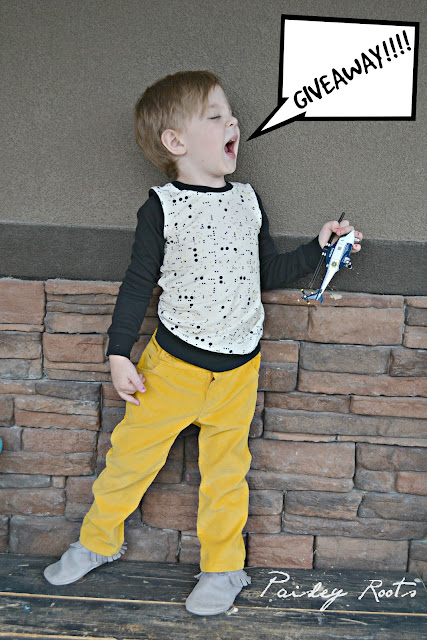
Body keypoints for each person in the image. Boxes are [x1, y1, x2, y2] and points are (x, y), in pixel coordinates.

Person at [43, 70, 363, 615]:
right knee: (129, 461)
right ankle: (97, 541)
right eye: (216, 116)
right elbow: (137, 284)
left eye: (231, 114)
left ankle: (223, 568)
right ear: (176, 142)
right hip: (171, 369)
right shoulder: (161, 206)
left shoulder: (248, 201)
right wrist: (119, 353)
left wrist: (317, 246)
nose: (233, 122)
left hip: (238, 372)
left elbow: (264, 272)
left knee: (226, 475)